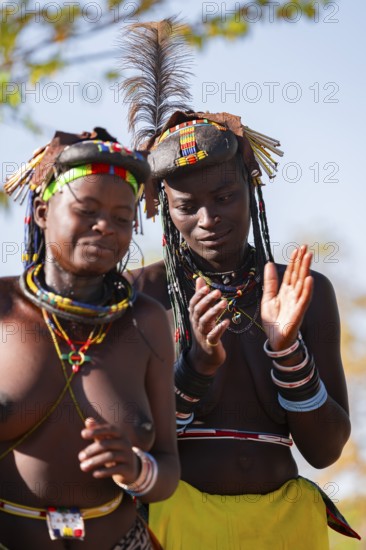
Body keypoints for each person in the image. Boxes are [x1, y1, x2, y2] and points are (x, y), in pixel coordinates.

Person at [121, 19, 360, 549]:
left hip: (285, 525)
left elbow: (324, 451)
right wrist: (195, 368)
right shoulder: (143, 295)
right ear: (163, 209)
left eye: (225, 197)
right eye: (187, 206)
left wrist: (286, 349)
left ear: (253, 190)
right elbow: (135, 444)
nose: (209, 218)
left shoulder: (305, 292)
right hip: (174, 518)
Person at [0, 128, 179, 549]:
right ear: (43, 212)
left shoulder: (147, 323)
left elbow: (169, 469)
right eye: (88, 210)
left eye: (122, 218)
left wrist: (136, 470)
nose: (105, 227)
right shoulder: (3, 308)